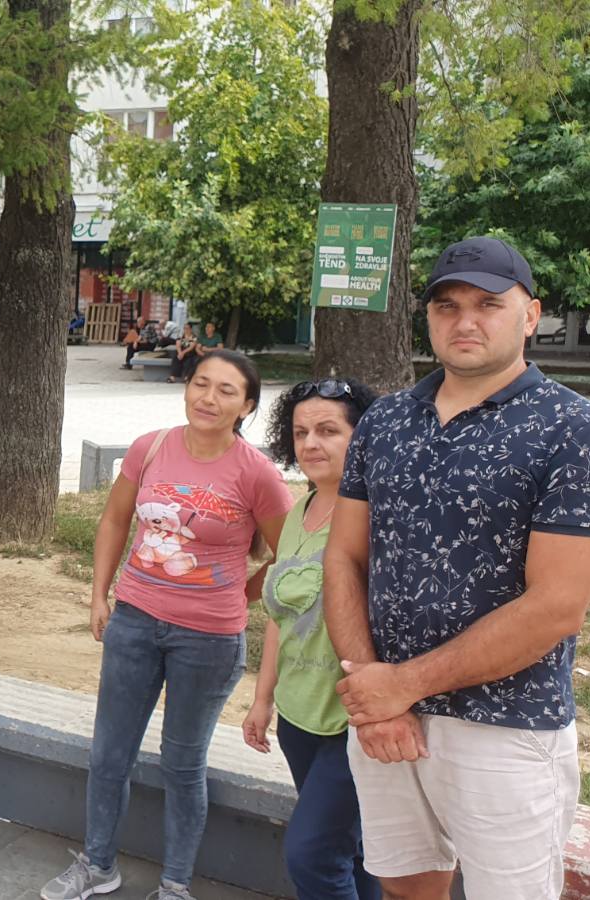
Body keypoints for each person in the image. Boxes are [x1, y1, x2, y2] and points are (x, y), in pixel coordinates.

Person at [324, 236, 590, 900]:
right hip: (386, 714)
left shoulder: (572, 428)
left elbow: (558, 604)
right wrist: (373, 693)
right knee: (405, 886)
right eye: (447, 305)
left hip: (505, 725)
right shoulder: (385, 421)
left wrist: (401, 685)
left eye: (488, 304)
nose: (465, 320)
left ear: (531, 316)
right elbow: (345, 557)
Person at [42, 349, 292, 900]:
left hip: (208, 640)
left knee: (182, 763)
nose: (209, 398)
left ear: (246, 406)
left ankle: (175, 885)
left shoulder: (257, 473)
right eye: (201, 383)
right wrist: (99, 594)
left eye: (226, 390)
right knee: (110, 754)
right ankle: (98, 866)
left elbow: (289, 553)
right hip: (134, 621)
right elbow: (114, 520)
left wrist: (243, 593)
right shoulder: (150, 447)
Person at [243, 378, 381, 900]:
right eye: (301, 432)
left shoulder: (378, 515)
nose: (311, 444)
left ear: (361, 436)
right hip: (298, 717)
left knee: (313, 855)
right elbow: (281, 614)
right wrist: (262, 699)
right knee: (353, 851)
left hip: (354, 720)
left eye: (328, 430)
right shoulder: (298, 513)